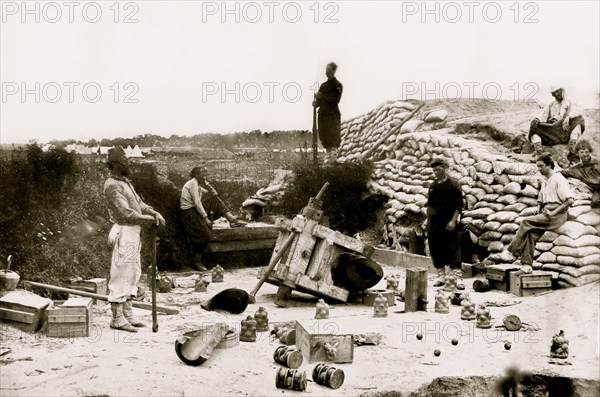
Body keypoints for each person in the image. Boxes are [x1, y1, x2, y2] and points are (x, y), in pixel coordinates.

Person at [104, 146, 166, 333]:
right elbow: (126, 213)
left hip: (133, 231)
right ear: (115, 164)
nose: (128, 163)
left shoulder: (125, 182)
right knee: (122, 272)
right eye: (124, 161)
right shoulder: (112, 185)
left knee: (133, 272)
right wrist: (151, 220)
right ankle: (117, 318)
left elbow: (139, 205)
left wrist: (153, 212)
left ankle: (127, 314)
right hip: (123, 231)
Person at [504, 153, 574, 274]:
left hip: (557, 214)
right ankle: (527, 266)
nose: (539, 169)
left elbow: (569, 201)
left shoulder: (559, 179)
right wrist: (539, 207)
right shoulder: (545, 180)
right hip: (546, 212)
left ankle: (511, 250)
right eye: (537, 166)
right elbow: (541, 198)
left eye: (541, 166)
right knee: (531, 233)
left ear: (549, 165)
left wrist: (553, 213)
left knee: (526, 222)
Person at [180, 166, 245, 271]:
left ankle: (230, 218)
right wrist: (206, 219)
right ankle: (196, 261)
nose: (205, 177)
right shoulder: (192, 184)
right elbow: (197, 203)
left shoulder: (197, 184)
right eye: (202, 175)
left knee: (215, 199)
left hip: (194, 212)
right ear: (196, 175)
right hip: (189, 213)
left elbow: (213, 194)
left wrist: (208, 185)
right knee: (207, 235)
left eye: (206, 174)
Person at [426, 158, 465, 289]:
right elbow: (430, 205)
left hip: (449, 220)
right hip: (434, 221)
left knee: (452, 246)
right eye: (434, 170)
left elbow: (459, 206)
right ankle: (441, 275)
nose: (436, 172)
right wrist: (428, 221)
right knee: (436, 247)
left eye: (438, 169)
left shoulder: (454, 184)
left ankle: (457, 276)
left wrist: (453, 221)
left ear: (445, 168)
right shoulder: (433, 186)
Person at [528, 85, 585, 160]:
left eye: (557, 91)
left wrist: (568, 117)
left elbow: (579, 111)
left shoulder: (570, 101)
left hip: (565, 131)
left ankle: (567, 153)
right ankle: (539, 154)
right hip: (552, 132)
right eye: (553, 93)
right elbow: (543, 114)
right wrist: (537, 119)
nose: (556, 94)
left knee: (579, 120)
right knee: (534, 125)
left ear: (562, 90)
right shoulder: (551, 104)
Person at [313, 62, 343, 155]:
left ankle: (333, 160)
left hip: (332, 116)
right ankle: (329, 159)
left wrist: (322, 97)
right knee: (323, 137)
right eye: (326, 70)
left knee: (332, 139)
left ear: (334, 71)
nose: (326, 72)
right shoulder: (323, 85)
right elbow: (319, 101)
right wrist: (316, 103)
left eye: (328, 70)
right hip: (322, 115)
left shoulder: (337, 85)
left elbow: (335, 101)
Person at [560, 139, 600, 208]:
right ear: (577, 153)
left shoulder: (598, 162)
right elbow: (563, 172)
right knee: (595, 203)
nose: (584, 154)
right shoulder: (576, 168)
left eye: (586, 152)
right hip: (597, 190)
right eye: (581, 152)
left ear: (590, 152)